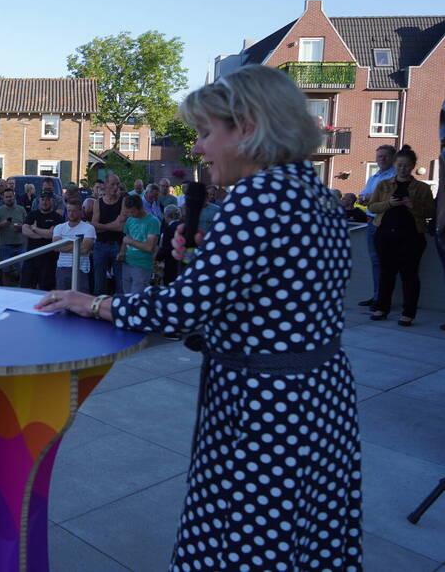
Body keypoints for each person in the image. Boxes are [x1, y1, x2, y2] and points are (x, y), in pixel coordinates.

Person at [37, 64, 361, 571]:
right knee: (307, 533)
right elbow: (277, 290)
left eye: (208, 133)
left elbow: (179, 309)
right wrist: (210, 257)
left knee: (244, 538)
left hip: (263, 408)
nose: (201, 149)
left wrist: (93, 303)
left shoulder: (256, 199)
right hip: (319, 398)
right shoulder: (316, 197)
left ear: (249, 128)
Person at [368, 145, 435, 326]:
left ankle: (408, 312)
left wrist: (412, 205)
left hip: (411, 236)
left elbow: (430, 211)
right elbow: (372, 207)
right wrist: (389, 203)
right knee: (386, 273)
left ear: (412, 166)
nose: (402, 169)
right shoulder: (384, 185)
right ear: (395, 165)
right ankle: (382, 307)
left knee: (409, 274)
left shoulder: (421, 188)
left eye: (406, 166)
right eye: (399, 165)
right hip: (385, 234)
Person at [357, 143, 397, 307]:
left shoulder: (393, 176)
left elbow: (384, 198)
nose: (382, 159)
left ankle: (383, 298)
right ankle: (376, 296)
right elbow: (363, 198)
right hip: (371, 221)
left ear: (393, 158)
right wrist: (369, 198)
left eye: (385, 156)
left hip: (385, 223)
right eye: (379, 156)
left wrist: (369, 198)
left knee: (385, 261)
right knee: (375, 261)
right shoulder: (374, 177)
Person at [89, 177, 126, 295]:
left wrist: (102, 226)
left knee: (121, 283)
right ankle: (98, 310)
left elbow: (121, 227)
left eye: (117, 184)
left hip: (118, 245)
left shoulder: (123, 201)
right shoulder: (98, 203)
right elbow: (94, 226)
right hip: (101, 245)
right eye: (113, 184)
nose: (116, 187)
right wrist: (113, 225)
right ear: (106, 185)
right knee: (99, 282)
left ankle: (120, 309)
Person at [20, 191, 64, 290]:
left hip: (49, 260)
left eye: (48, 200)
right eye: (42, 199)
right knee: (26, 289)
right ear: (39, 200)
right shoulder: (32, 215)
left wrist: (35, 229)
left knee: (46, 290)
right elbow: (25, 230)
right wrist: (43, 235)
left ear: (52, 201)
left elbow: (52, 234)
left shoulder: (57, 217)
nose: (45, 202)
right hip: (31, 258)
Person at [117, 194, 160, 293]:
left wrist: (130, 242)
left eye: (132, 211)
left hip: (142, 265)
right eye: (128, 212)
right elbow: (126, 238)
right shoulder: (130, 219)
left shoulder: (153, 221)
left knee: (137, 298)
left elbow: (150, 247)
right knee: (127, 296)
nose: (130, 214)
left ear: (141, 207)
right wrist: (122, 253)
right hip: (127, 262)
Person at [51, 200, 94, 293]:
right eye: (69, 210)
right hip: (62, 268)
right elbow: (55, 247)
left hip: (81, 269)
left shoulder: (89, 228)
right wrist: (79, 245)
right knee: (62, 300)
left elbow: (85, 249)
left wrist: (63, 245)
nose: (71, 213)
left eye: (74, 211)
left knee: (80, 302)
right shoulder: (59, 227)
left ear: (80, 211)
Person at [0, 188, 26, 287]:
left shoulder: (21, 209)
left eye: (10, 196)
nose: (9, 199)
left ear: (14, 197)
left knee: (23, 270)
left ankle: (22, 290)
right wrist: (2, 224)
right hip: (4, 245)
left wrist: (21, 227)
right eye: (6, 197)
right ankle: (6, 292)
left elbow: (28, 225)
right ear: (3, 198)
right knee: (5, 271)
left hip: (20, 245)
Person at [157, 204, 183, 285]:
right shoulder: (184, 227)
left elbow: (166, 249)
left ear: (167, 215)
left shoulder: (168, 230)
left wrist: (158, 257)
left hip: (171, 264)